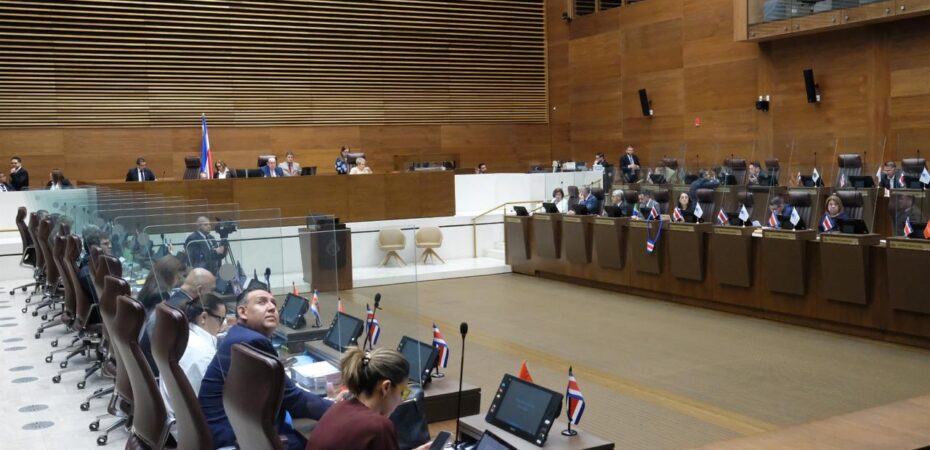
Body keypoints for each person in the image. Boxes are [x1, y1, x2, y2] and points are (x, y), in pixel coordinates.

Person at [200, 289, 333, 450]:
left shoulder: (238, 334)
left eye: (274, 304)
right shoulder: (253, 341)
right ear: (242, 312)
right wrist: (338, 409)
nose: (271, 307)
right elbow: (293, 399)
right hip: (233, 439)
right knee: (331, 439)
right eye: (262, 302)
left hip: (224, 431)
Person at [306, 347, 433, 450]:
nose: (401, 399)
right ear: (386, 387)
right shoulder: (378, 426)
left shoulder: (338, 408)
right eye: (403, 392)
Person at [159, 293, 227, 421]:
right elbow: (209, 403)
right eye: (221, 319)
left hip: (171, 415)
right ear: (204, 317)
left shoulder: (181, 337)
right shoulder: (206, 355)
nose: (223, 326)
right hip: (190, 423)